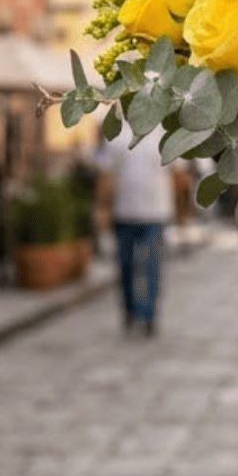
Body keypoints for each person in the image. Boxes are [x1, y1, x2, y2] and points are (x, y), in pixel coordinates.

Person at [96, 127, 183, 337]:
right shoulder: (118, 134)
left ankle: (150, 315)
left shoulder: (166, 134)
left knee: (152, 266)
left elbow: (179, 175)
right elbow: (106, 175)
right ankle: (130, 310)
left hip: (157, 214)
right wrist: (101, 207)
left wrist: (182, 209)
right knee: (125, 266)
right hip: (124, 213)